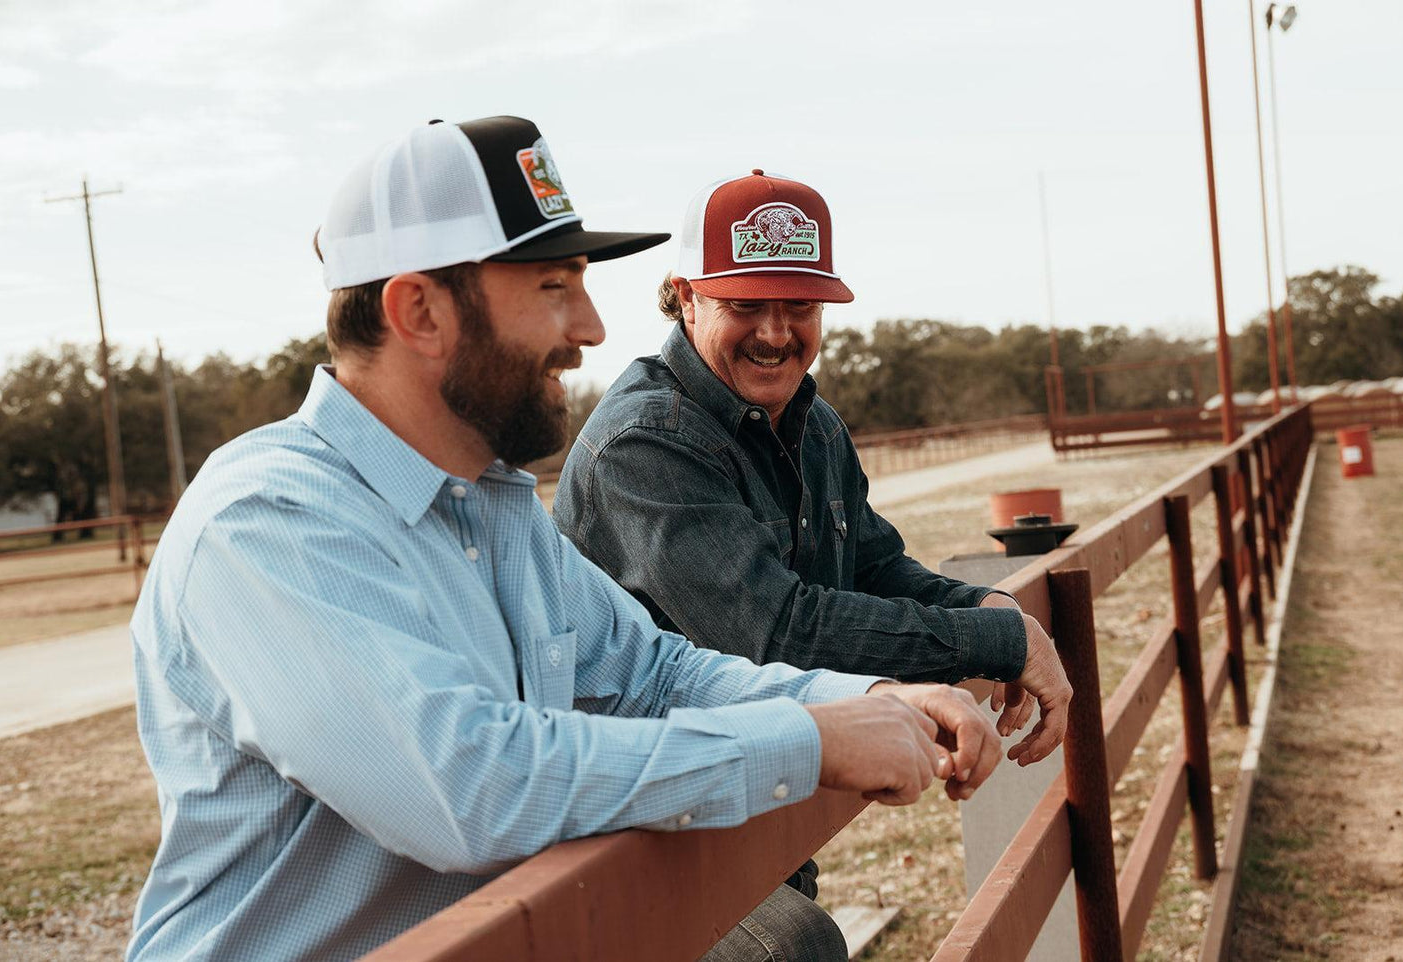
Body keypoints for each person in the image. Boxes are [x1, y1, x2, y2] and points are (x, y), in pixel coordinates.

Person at [125, 117, 1004, 962]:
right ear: (420, 311)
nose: (589, 328)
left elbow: (654, 673)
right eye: (553, 287)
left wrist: (869, 695)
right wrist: (810, 741)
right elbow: (471, 784)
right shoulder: (271, 521)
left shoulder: (492, 506)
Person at [553, 169, 1073, 768]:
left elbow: (873, 567)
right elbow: (777, 636)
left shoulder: (814, 422)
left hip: (755, 789)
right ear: (688, 298)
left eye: (800, 304)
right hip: (646, 816)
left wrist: (985, 607)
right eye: (746, 304)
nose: (775, 334)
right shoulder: (645, 444)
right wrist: (997, 643)